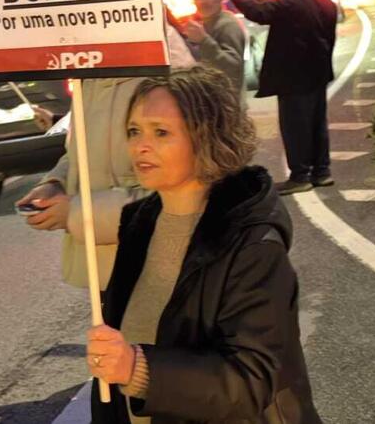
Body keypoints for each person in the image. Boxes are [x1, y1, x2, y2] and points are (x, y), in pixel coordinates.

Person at [85, 66, 320, 423]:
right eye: (134, 131)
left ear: (206, 138)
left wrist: (137, 368)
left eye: (161, 132)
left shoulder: (253, 243)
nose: (140, 146)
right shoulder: (139, 226)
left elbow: (251, 380)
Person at [15, 24, 196, 290]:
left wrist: (76, 213)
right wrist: (56, 183)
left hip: (159, 274)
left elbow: (184, 193)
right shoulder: (88, 70)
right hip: (109, 275)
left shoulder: (162, 56)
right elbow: (79, 149)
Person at [225, 0, 337, 195]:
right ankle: (322, 172)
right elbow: (330, 36)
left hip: (293, 76)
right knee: (317, 124)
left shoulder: (288, 2)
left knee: (295, 126)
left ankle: (300, 176)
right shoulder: (325, 1)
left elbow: (256, 11)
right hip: (318, 72)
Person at [182, 0, 246, 97]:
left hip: (226, 110)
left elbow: (233, 68)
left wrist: (204, 41)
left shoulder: (227, 25)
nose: (202, 0)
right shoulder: (202, 24)